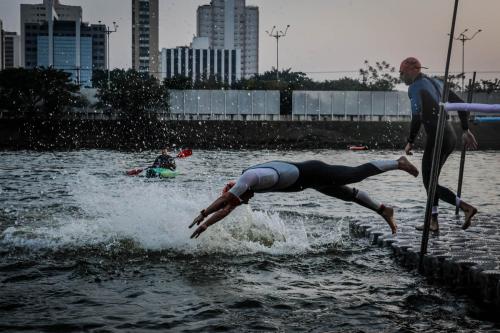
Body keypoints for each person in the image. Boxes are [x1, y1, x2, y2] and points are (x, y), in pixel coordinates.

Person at [189, 157, 420, 239]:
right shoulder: (247, 188)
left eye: (241, 199)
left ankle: (397, 163)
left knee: (354, 175)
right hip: (310, 182)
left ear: (236, 189)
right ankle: (384, 211)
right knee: (348, 196)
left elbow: (225, 201)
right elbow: (227, 208)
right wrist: (206, 224)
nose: (245, 202)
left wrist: (202, 213)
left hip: (314, 172)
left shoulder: (249, 178)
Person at [399, 57, 478, 232]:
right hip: (449, 135)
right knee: (432, 181)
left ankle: (465, 208)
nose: (400, 76)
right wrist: (465, 129)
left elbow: (417, 117)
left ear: (413, 70)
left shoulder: (415, 87)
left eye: (402, 72)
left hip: (438, 137)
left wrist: (410, 142)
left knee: (430, 183)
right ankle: (433, 221)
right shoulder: (436, 82)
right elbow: (462, 104)